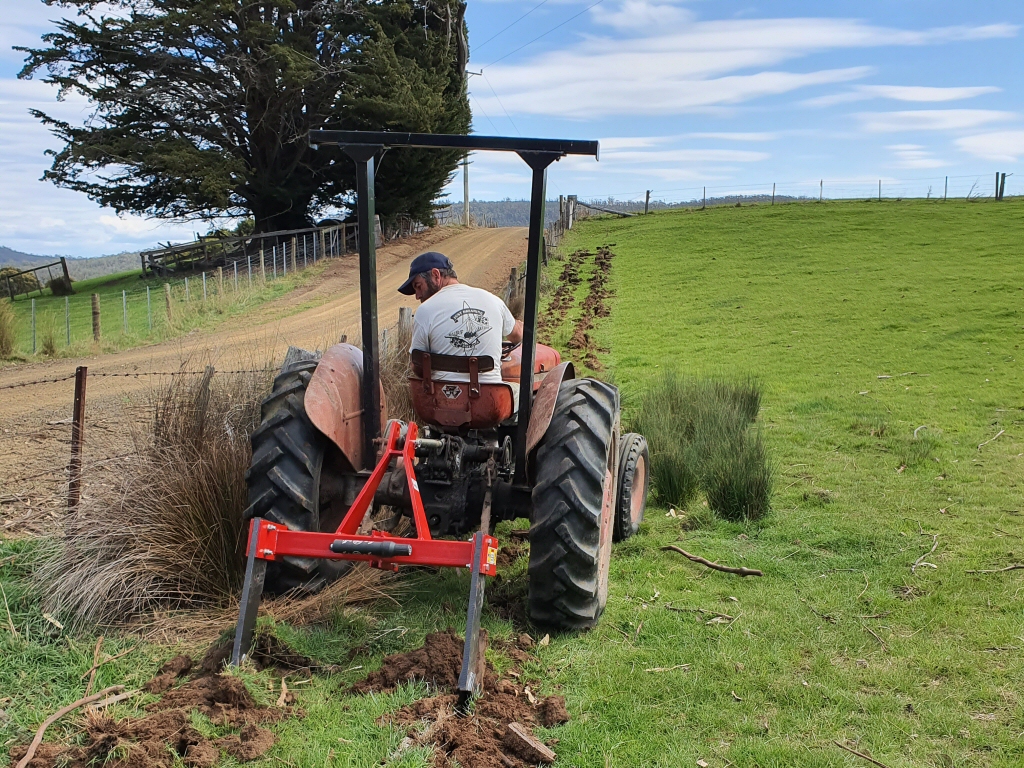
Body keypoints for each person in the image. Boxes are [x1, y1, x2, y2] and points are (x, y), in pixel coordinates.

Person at [399, 251, 523, 385]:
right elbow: (517, 335)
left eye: (418, 287)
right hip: (490, 399)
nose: (417, 296)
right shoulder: (493, 301)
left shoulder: (424, 311)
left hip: (441, 398)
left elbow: (417, 366)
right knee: (519, 391)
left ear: (436, 275)